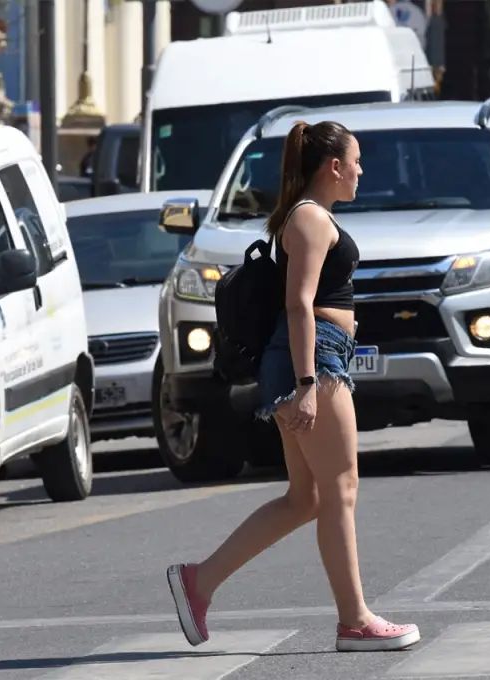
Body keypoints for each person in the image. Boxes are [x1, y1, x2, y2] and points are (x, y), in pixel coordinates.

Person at [166, 120, 422, 653]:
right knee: (341, 489)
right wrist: (307, 383)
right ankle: (355, 621)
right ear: (333, 166)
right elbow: (299, 303)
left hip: (315, 355)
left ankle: (199, 582)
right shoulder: (309, 218)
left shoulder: (309, 215)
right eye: (356, 161)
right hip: (313, 359)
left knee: (307, 498)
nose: (361, 171)